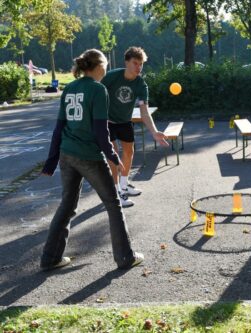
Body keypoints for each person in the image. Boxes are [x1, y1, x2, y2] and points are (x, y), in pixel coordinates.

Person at [40, 49, 144, 271]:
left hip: (67, 155)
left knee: (67, 206)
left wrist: (51, 161)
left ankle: (50, 258)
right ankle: (125, 257)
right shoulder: (98, 89)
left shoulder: (69, 88)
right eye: (105, 65)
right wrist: (113, 156)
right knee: (113, 203)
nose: (106, 69)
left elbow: (59, 128)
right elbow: (100, 130)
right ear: (98, 66)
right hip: (88, 155)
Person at [101, 47, 168, 208]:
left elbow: (144, 112)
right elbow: (95, 94)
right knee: (113, 156)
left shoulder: (140, 85)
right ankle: (116, 192)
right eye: (135, 63)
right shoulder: (111, 77)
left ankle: (124, 185)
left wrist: (154, 132)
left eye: (141, 64)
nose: (139, 67)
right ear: (127, 62)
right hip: (107, 121)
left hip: (125, 121)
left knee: (129, 152)